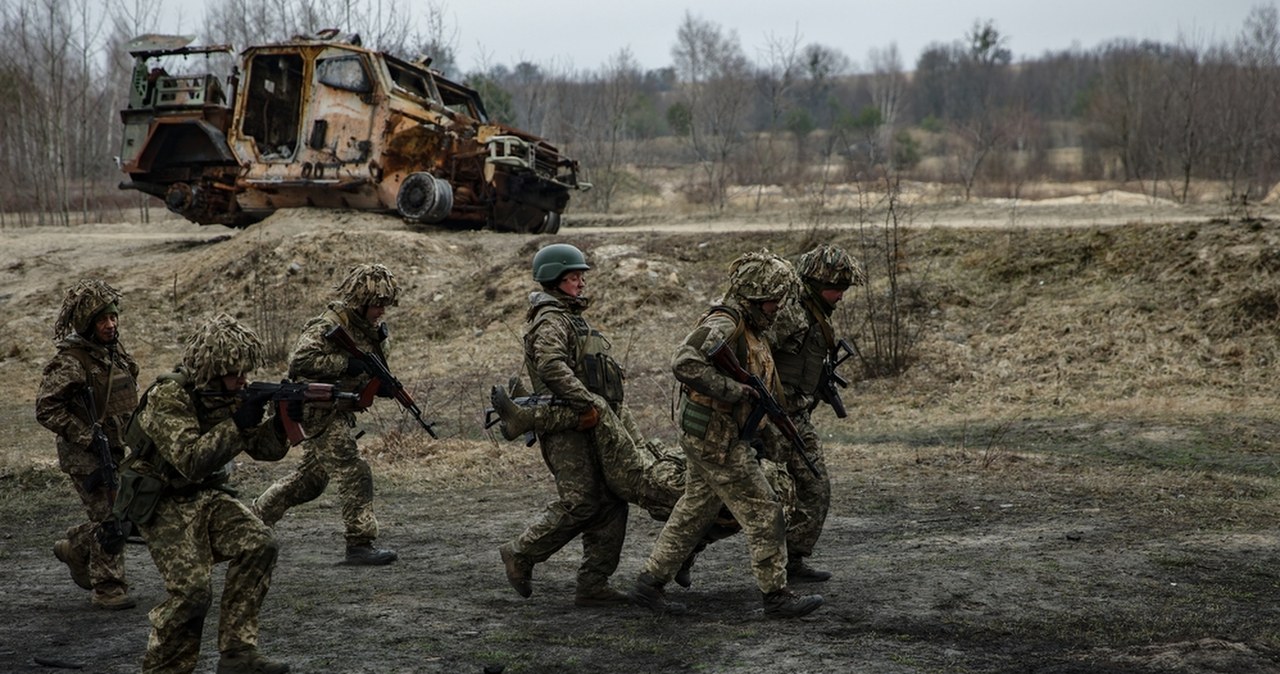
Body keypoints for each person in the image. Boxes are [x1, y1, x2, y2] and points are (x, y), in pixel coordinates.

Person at [631, 250, 824, 619]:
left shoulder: (750, 326)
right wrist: (734, 391)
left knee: (693, 511)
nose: (778, 306)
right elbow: (683, 362)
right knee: (766, 512)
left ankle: (649, 583)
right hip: (716, 439)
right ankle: (776, 595)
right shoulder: (724, 324)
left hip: (713, 434)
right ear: (754, 296)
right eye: (773, 299)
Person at [118, 313, 290, 674]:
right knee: (193, 593)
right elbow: (190, 460)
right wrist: (238, 422)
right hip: (161, 499)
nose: (242, 380)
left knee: (260, 543)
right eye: (234, 373)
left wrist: (284, 420)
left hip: (204, 495)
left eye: (245, 372)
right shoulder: (168, 396)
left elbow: (267, 449)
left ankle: (237, 654)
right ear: (210, 371)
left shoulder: (229, 395)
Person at [497, 243, 632, 608]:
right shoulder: (552, 319)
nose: (581, 282)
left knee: (612, 501)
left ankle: (594, 583)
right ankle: (520, 553)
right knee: (582, 503)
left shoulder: (569, 316)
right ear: (555, 280)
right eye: (574, 277)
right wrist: (588, 402)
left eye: (581, 276)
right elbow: (551, 365)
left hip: (586, 424)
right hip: (565, 427)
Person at [254, 263, 403, 565]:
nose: (381, 311)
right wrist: (345, 365)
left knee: (309, 482)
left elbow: (368, 368)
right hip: (316, 408)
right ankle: (359, 542)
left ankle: (253, 520)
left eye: (385, 305)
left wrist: (380, 385)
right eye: (376, 304)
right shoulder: (328, 326)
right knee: (353, 468)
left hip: (338, 408)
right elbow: (300, 360)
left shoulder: (370, 331)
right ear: (360, 301)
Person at [35, 280, 140, 610]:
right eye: (101, 320)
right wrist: (86, 436)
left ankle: (76, 548)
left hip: (118, 448)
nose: (110, 325)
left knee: (122, 514)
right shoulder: (71, 362)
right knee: (111, 517)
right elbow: (46, 407)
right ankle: (108, 588)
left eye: (112, 318)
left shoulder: (113, 354)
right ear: (87, 324)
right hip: (86, 457)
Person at [768, 244, 863, 583]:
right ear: (816, 281)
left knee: (815, 487)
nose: (841, 295)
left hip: (795, 417)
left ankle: (793, 560)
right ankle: (679, 559)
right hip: (767, 418)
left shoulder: (815, 313)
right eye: (837, 287)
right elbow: (751, 354)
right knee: (737, 497)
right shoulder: (789, 313)